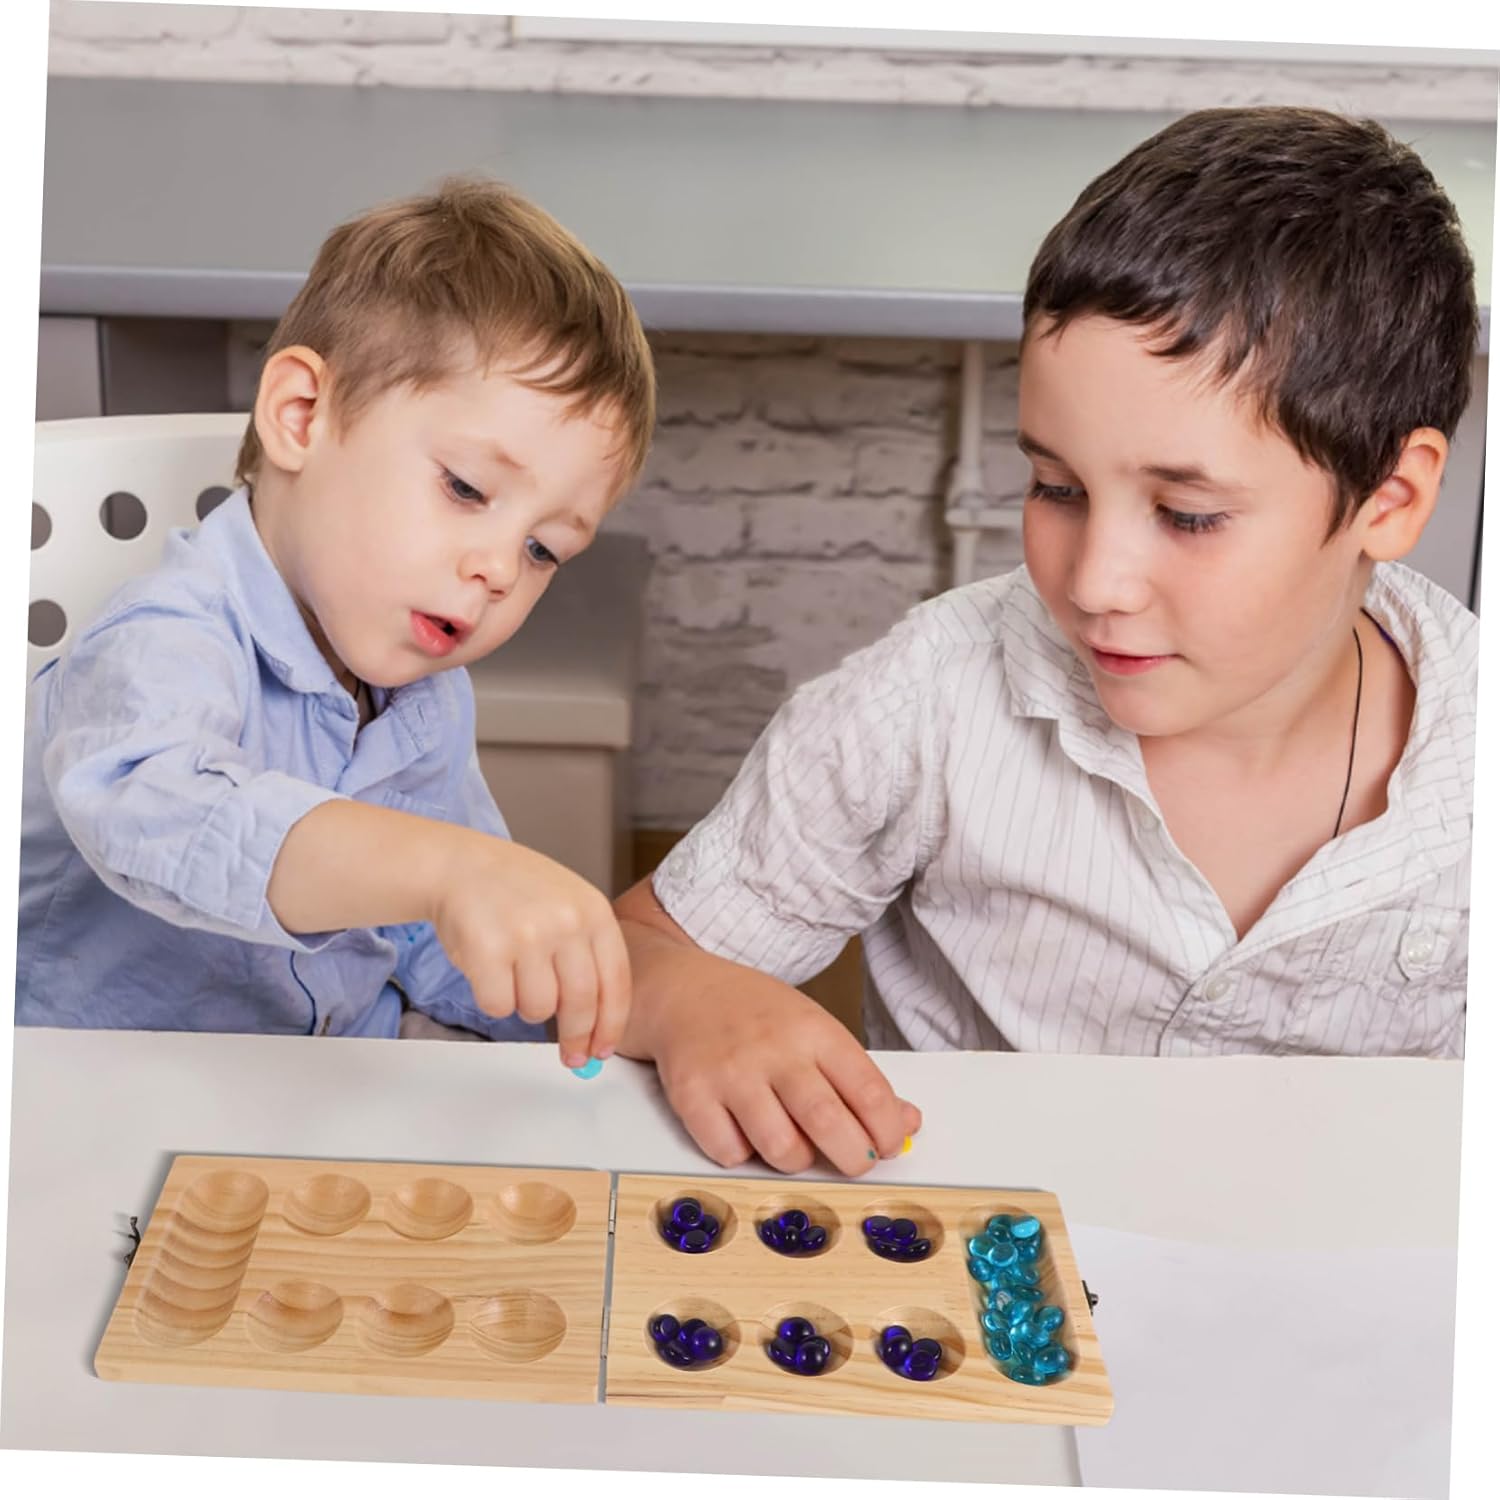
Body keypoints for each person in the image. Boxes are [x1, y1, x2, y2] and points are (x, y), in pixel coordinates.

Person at [610, 106, 1480, 1177]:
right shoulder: (928, 699)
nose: (1095, 582)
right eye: (1056, 488)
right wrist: (690, 997)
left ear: (1390, 499)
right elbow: (639, 953)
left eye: (1188, 515)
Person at [17, 176, 655, 1068]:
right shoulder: (165, 634)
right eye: (466, 488)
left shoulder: (425, 697)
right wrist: (446, 870)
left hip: (329, 1083)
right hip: (101, 1098)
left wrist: (581, 1001)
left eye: (544, 549)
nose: (502, 570)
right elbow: (157, 813)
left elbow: (434, 935)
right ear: (302, 415)